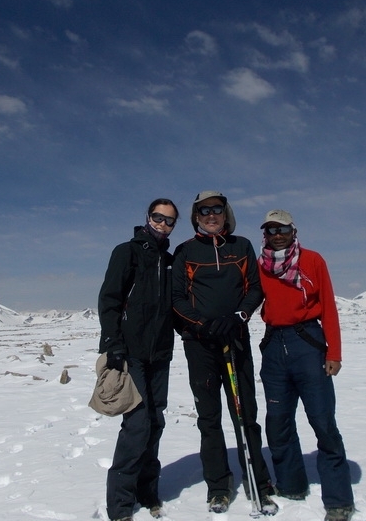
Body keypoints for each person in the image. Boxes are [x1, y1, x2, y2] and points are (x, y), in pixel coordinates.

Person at [172, 191, 278, 516]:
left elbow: (256, 288)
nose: (211, 214)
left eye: (216, 209)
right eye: (204, 210)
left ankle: (258, 481)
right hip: (200, 345)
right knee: (209, 418)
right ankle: (218, 486)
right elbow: (176, 298)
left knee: (245, 414)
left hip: (236, 342)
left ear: (225, 212)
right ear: (196, 216)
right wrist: (202, 324)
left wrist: (239, 317)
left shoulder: (241, 246)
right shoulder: (185, 251)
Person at [257, 209, 355, 521]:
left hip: (308, 344)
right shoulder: (260, 265)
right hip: (273, 346)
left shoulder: (312, 260)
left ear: (293, 229)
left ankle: (339, 500)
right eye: (271, 229)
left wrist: (334, 353)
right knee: (278, 421)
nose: (277, 234)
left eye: (282, 228)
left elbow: (328, 305)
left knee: (323, 422)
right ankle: (291, 485)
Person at [98, 198, 180, 521]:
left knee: (155, 421)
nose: (162, 224)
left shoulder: (169, 261)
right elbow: (109, 300)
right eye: (158, 217)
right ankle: (119, 505)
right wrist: (112, 343)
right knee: (137, 424)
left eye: (169, 221)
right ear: (147, 217)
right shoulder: (126, 253)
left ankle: (147, 491)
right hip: (130, 354)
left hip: (160, 355)